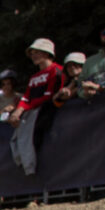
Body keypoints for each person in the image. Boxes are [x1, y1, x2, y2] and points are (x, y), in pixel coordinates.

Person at [12, 38, 63, 175]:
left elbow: (48, 96)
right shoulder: (34, 77)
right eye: (32, 53)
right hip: (31, 115)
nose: (34, 55)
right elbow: (27, 97)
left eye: (37, 52)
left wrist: (25, 107)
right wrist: (18, 110)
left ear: (47, 53)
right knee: (17, 139)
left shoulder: (57, 70)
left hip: (49, 114)